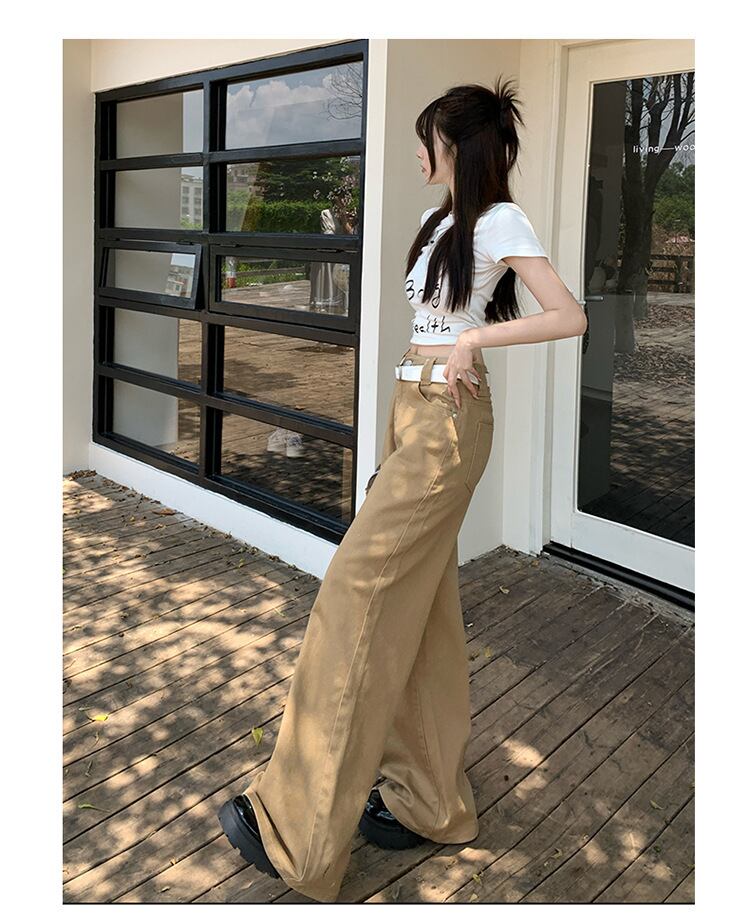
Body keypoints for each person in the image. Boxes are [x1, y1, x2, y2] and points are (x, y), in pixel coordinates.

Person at [217, 75, 587, 903]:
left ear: (454, 144)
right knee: (423, 610)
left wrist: (475, 341)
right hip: (410, 410)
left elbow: (570, 315)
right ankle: (431, 801)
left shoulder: (499, 219)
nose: (419, 151)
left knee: (354, 593)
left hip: (449, 419)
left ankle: (297, 833)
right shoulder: (438, 221)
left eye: (427, 137)